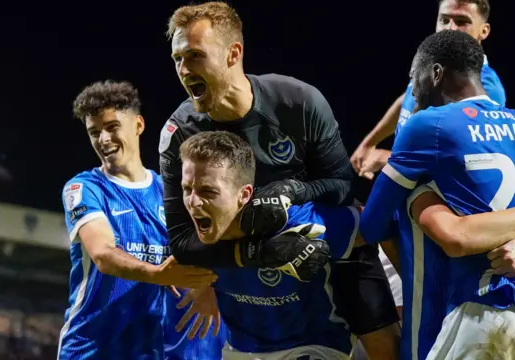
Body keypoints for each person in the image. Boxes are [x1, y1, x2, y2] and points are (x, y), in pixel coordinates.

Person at [160, 2, 400, 357]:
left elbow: (342, 187)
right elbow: (181, 240)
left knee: (385, 346)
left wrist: (292, 191)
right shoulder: (178, 132)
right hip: (247, 265)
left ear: (233, 53)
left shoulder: (298, 102)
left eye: (194, 56)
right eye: (177, 58)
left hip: (323, 237)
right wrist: (255, 252)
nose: (183, 69)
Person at [360, 30, 515, 359]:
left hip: (489, 307)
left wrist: (419, 203)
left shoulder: (429, 125)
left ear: (436, 73)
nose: (413, 93)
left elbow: (371, 224)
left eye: (415, 80)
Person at [58, 80, 224, 360]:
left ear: (138, 125)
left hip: (147, 349)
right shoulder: (83, 188)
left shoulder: (170, 194)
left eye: (112, 127)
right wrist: (155, 274)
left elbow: (195, 250)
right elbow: (103, 254)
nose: (103, 139)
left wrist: (205, 284)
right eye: (94, 132)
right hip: (89, 349)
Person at [179, 130, 373, 360]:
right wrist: (201, 285)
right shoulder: (189, 238)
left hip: (313, 346)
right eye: (187, 189)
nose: (193, 202)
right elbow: (165, 268)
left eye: (208, 191)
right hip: (240, 351)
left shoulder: (291, 222)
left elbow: (374, 224)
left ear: (244, 195)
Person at [351, 0, 505, 180]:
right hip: (405, 185)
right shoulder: (434, 66)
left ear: (484, 30)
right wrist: (369, 143)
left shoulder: (486, 90)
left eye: (462, 21)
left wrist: (387, 158)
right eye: (444, 20)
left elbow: (458, 157)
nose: (450, 29)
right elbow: (407, 99)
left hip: (436, 200)